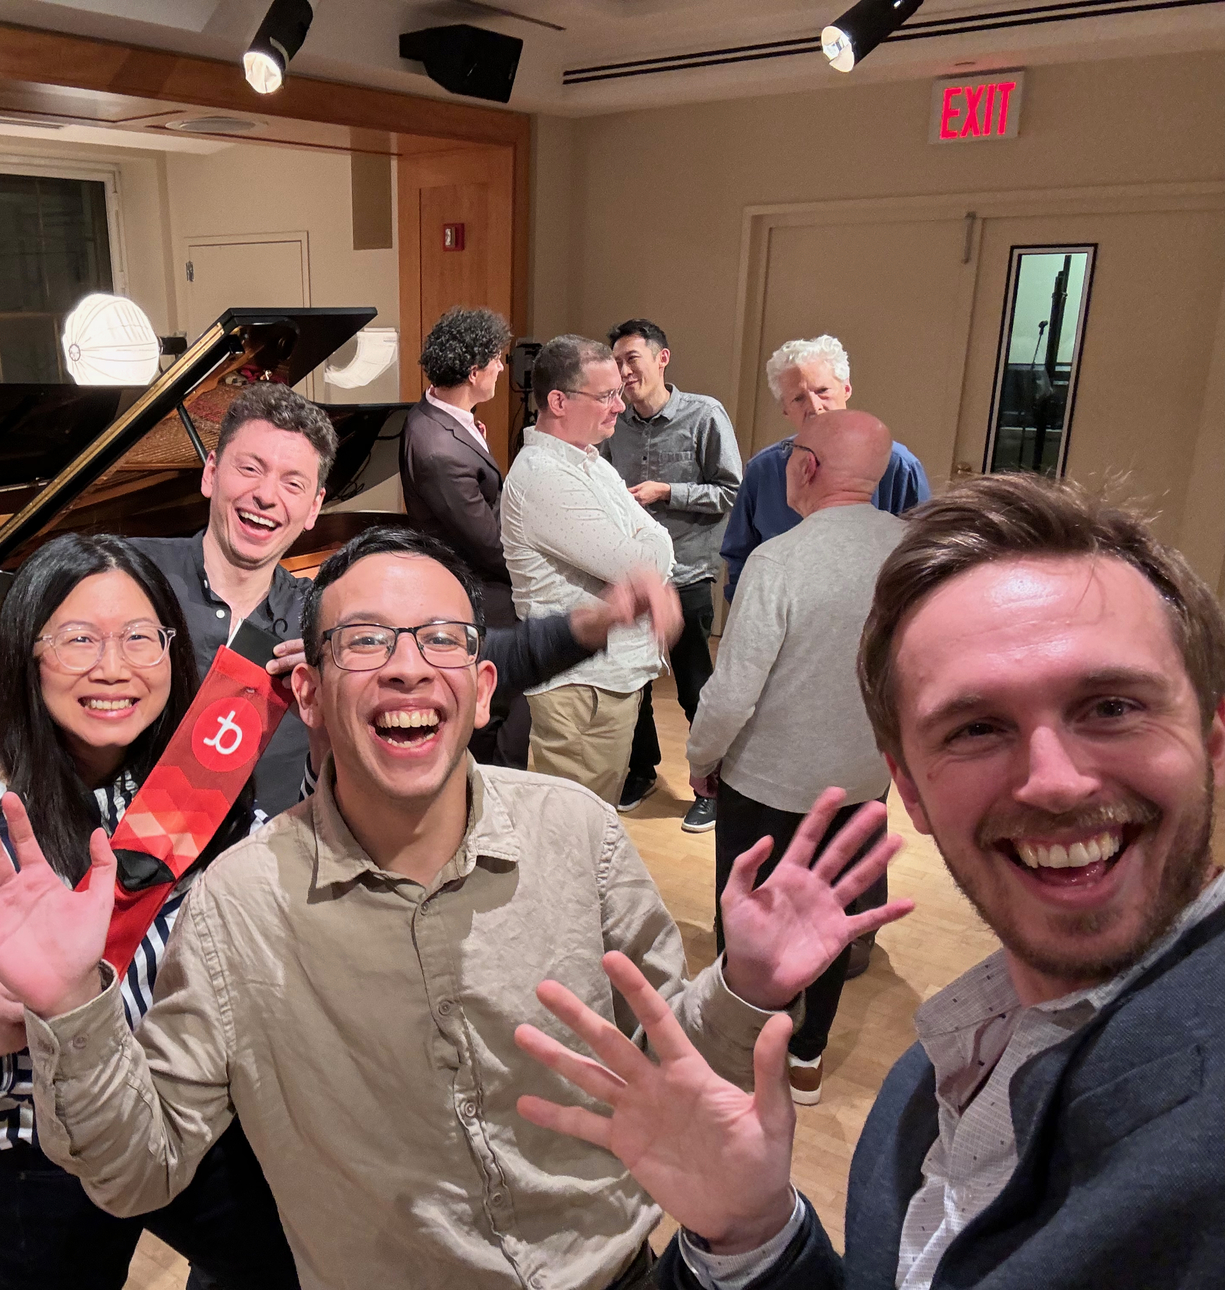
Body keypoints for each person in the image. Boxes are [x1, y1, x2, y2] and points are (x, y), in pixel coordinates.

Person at [0, 526, 905, 1290]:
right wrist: (70, 1007)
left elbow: (672, 1066)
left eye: (441, 639)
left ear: (481, 691)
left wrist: (746, 986)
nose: (405, 666)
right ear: (308, 694)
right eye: (364, 641)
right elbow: (140, 1171)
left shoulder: (579, 834)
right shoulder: (237, 904)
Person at [517, 473, 1225, 1289]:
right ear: (909, 788)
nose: (1054, 782)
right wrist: (754, 1236)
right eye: (978, 727)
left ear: (1213, 741)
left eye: (1111, 708)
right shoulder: (934, 1074)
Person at [0, 534, 298, 1290]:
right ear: (27, 657)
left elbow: (268, 881)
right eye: (78, 639)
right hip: (42, 1156)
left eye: (139, 638)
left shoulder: (189, 781)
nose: (113, 668)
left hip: (187, 1111)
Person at [131, 380, 674, 807]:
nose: (267, 496)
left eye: (293, 483)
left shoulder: (318, 616)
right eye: (249, 469)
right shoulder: (126, 582)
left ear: (315, 507)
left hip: (278, 876)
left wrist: (596, 622)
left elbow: (477, 658)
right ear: (210, 474)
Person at [685, 410, 902, 1105]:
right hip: (864, 776)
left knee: (750, 914)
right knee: (828, 913)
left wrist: (700, 756)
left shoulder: (779, 560)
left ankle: (744, 1048)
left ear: (806, 467)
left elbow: (732, 691)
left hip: (767, 782)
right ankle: (807, 1056)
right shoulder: (911, 552)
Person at [502, 334, 675, 804]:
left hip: (607, 679)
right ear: (559, 401)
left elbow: (659, 543)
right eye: (606, 396)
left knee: (595, 822)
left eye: (618, 392)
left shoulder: (591, 463)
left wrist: (649, 551)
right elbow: (638, 565)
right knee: (576, 826)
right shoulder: (543, 475)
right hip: (582, 685)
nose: (620, 405)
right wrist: (647, 553)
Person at [602, 319, 742, 829]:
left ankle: (712, 786)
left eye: (632, 359)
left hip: (688, 574)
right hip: (632, 577)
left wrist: (667, 492)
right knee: (634, 684)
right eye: (617, 361)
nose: (623, 371)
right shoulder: (612, 422)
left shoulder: (704, 415)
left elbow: (730, 491)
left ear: (662, 358)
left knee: (694, 688)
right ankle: (641, 770)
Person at [720, 335, 929, 601]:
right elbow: (740, 559)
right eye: (798, 398)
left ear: (846, 389)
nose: (814, 407)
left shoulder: (898, 465)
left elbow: (923, 553)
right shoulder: (763, 471)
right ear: (785, 409)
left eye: (822, 391)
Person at [401, 306, 517, 629]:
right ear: (474, 373)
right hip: (475, 589)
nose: (501, 367)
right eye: (496, 360)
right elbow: (489, 548)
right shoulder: (440, 453)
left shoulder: (434, 408)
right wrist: (537, 576)